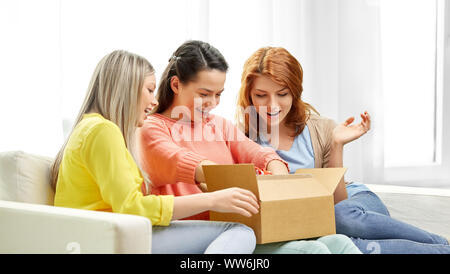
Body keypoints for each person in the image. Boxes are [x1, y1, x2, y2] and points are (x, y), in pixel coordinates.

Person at [138, 40, 361, 254]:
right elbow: (183, 161)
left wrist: (277, 172)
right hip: (198, 233)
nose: (213, 103)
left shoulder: (219, 125)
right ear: (176, 84)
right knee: (313, 250)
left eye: (218, 95)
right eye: (204, 94)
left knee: (339, 242)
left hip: (240, 227)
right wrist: (228, 180)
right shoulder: (151, 128)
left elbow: (259, 153)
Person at [236, 46, 450, 254]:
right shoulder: (241, 139)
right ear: (249, 95)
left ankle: (440, 242)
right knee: (342, 245)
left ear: (294, 92)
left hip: (354, 205)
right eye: (261, 95)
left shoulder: (321, 128)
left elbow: (339, 202)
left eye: (282, 94)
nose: (272, 105)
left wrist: (337, 145)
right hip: (313, 221)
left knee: (339, 217)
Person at [50, 50, 259, 254]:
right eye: (150, 90)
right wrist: (213, 200)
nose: (155, 101)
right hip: (106, 239)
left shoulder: (90, 128)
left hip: (101, 235)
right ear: (127, 89)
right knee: (239, 232)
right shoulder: (104, 131)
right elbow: (132, 207)